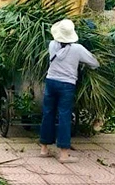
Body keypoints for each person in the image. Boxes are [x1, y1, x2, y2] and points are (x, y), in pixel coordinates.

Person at [40, 19, 100, 163]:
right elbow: (94, 63)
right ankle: (64, 155)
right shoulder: (77, 49)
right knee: (64, 116)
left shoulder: (52, 45)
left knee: (48, 113)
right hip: (67, 85)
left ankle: (44, 149)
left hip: (51, 81)